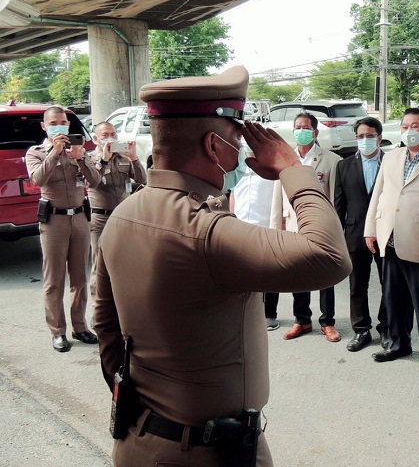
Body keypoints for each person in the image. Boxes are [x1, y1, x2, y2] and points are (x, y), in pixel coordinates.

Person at [93, 66, 351, 467]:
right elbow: (329, 257)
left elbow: (106, 328)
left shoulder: (124, 214)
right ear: (214, 146)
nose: (242, 151)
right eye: (237, 139)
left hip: (139, 439)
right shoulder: (206, 231)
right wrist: (292, 169)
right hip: (208, 452)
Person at [365, 107, 419, 374]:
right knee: (394, 298)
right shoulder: (392, 157)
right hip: (390, 239)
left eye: (415, 126)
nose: (409, 131)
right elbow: (379, 194)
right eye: (405, 127)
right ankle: (399, 343)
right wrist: (370, 229)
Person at [26, 106, 102, 352]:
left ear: (68, 125)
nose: (58, 126)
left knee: (79, 278)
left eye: (62, 122)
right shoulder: (36, 152)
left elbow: (95, 181)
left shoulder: (78, 149)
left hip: (79, 218)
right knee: (54, 280)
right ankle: (57, 331)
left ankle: (80, 326)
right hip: (54, 221)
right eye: (53, 123)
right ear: (44, 126)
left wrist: (79, 158)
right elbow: (37, 179)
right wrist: (55, 152)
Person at [269, 112, 343, 342]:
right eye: (297, 127)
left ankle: (328, 322)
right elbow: (277, 198)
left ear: (315, 132)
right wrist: (276, 228)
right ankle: (302, 320)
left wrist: (335, 229)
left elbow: (335, 198)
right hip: (293, 225)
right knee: (298, 273)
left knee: (325, 274)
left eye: (306, 128)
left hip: (322, 227)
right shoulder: (285, 159)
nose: (301, 131)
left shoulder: (331, 160)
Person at [334, 117, 389, 352]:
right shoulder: (344, 166)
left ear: (379, 137)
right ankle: (361, 329)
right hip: (355, 232)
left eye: (370, 136)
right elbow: (339, 205)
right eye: (360, 136)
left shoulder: (391, 162)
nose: (365, 140)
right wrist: (337, 237)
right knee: (357, 285)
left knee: (389, 284)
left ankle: (387, 328)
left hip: (385, 233)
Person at [86, 122, 146, 318]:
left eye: (113, 133)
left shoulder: (123, 158)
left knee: (126, 262)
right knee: (99, 265)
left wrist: (134, 157)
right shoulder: (88, 159)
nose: (110, 137)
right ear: (96, 138)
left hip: (123, 217)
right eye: (105, 134)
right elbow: (92, 181)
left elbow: (142, 179)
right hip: (101, 218)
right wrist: (103, 160)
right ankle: (99, 315)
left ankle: (126, 311)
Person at [229, 159, 279, 331]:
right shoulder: (237, 171)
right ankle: (245, 312)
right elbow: (233, 195)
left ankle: (270, 314)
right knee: (244, 274)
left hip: (265, 227)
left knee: (270, 274)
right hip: (242, 227)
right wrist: (231, 219)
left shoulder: (269, 171)